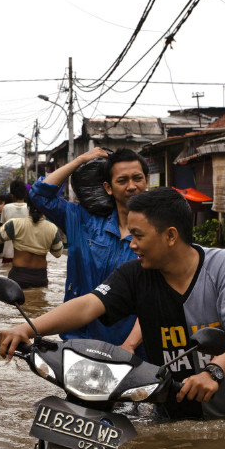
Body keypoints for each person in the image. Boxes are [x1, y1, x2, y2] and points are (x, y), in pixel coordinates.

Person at [0, 188, 225, 419]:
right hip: (169, 420)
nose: (131, 244)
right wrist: (27, 328)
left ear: (171, 235)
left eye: (138, 236)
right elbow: (88, 304)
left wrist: (213, 372)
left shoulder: (223, 264)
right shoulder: (134, 274)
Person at [29, 147, 147, 350]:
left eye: (138, 178)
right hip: (78, 339)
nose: (131, 186)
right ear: (108, 187)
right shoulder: (82, 221)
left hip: (132, 347)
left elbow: (157, 299)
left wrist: (130, 345)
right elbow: (40, 195)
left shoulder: (158, 233)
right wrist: (80, 160)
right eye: (122, 180)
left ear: (147, 182)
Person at [0, 195, 64, 288]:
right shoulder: (52, 228)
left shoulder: (15, 224)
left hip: (18, 277)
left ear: (28, 206)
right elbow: (58, 253)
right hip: (40, 278)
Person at [0, 180, 30, 264]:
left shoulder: (6, 208)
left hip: (9, 252)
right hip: (27, 253)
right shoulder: (30, 208)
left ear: (12, 195)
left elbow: (2, 229)